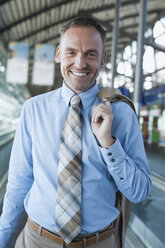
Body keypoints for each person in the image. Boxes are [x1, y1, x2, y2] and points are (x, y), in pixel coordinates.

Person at [0, 16, 151, 248]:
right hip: (37, 240)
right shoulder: (33, 109)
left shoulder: (121, 114)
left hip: (99, 242)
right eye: (71, 52)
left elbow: (139, 191)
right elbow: (19, 184)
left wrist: (109, 144)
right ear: (58, 54)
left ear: (103, 59)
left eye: (91, 54)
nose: (80, 63)